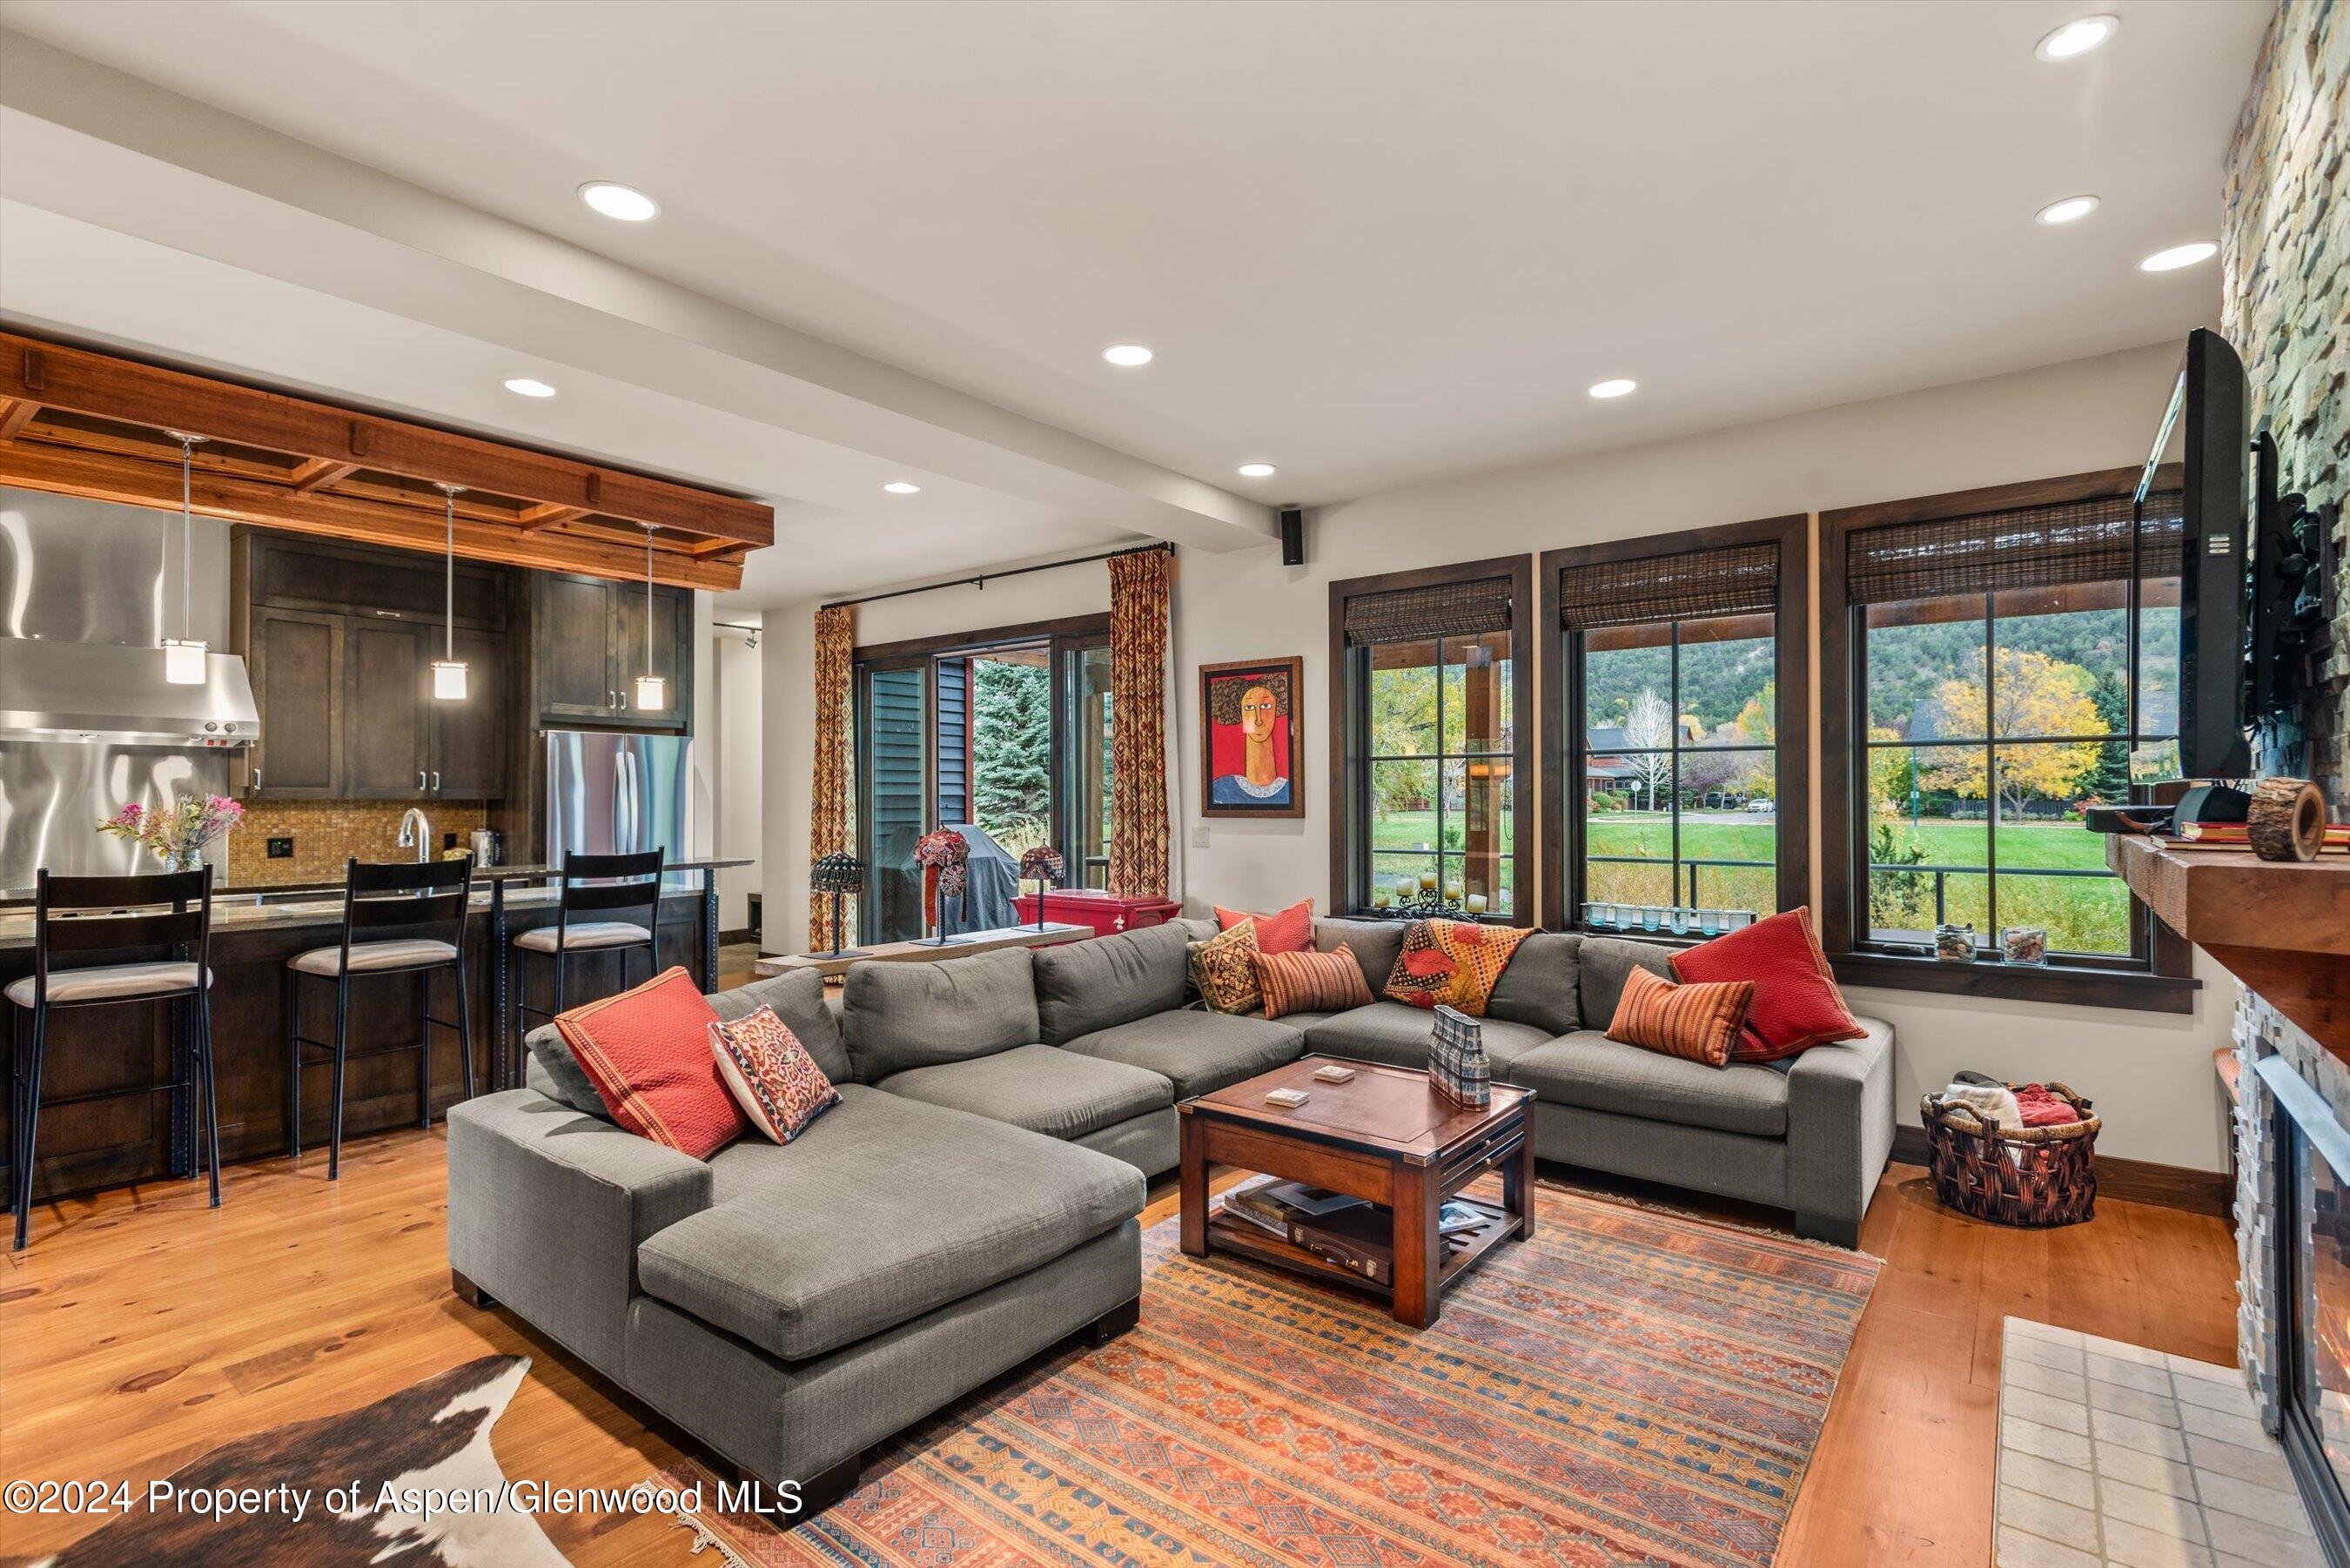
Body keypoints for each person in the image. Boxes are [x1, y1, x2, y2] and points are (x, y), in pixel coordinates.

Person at [1210, 682, 1291, 807]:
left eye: (1266, 706)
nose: (1258, 719)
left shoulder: (1289, 791)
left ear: (1276, 711)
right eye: (1249, 708)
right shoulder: (1221, 790)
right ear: (1240, 714)